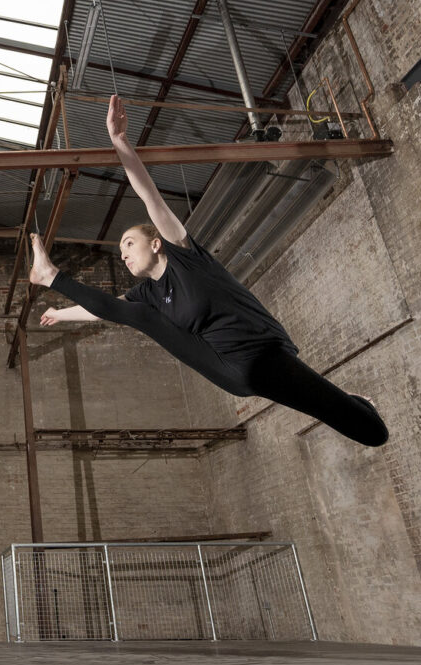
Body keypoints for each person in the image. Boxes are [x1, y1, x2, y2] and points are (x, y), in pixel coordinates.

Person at [27, 95, 387, 446]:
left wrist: (120, 143)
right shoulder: (146, 296)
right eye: (120, 251)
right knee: (138, 316)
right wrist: (60, 313)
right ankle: (50, 276)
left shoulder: (184, 254)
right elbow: (102, 311)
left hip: (262, 355)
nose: (122, 255)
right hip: (228, 369)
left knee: (371, 431)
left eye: (128, 244)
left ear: (156, 244)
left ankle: (356, 406)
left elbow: (148, 195)